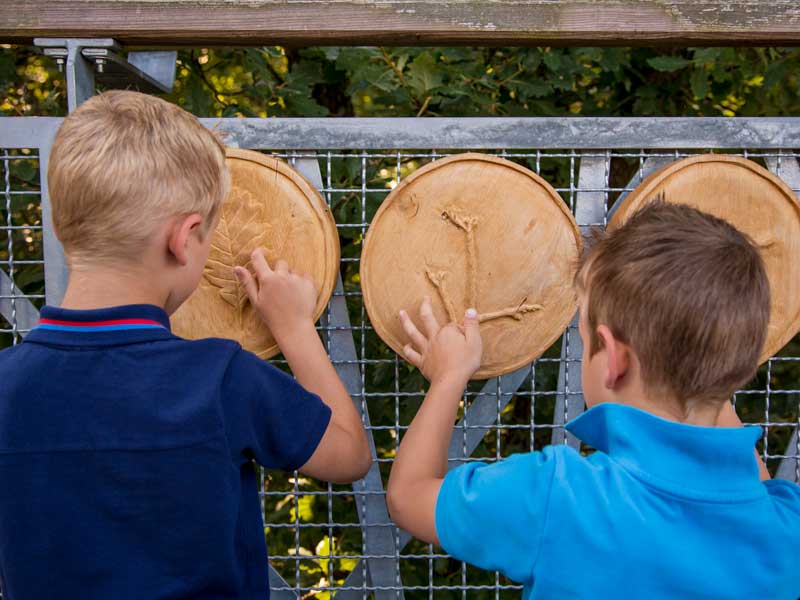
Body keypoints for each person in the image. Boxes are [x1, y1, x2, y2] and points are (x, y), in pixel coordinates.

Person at [0, 90, 371, 600]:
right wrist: (294, 327)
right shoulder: (220, 378)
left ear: (64, 225)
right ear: (185, 237)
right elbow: (349, 454)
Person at [387, 200, 800, 599]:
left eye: (583, 336)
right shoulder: (787, 528)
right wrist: (710, 364)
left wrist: (448, 376)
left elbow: (410, 497)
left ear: (613, 359)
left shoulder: (555, 496)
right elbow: (750, 481)